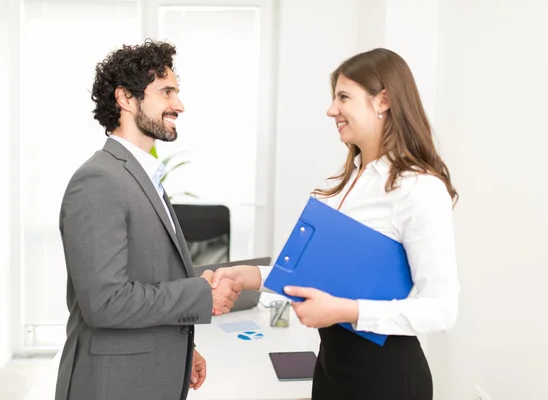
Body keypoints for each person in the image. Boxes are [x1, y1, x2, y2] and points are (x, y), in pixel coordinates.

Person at [211, 48, 459, 399]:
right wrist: (251, 276)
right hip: (332, 369)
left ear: (383, 101)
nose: (331, 110)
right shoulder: (349, 183)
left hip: (386, 379)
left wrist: (345, 310)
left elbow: (441, 310)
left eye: (343, 97)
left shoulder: (418, 188)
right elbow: (322, 280)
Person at [55, 40, 242, 400]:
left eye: (177, 92)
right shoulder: (99, 180)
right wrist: (201, 293)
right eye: (166, 92)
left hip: (145, 373)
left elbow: (150, 275)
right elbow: (105, 302)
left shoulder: (141, 175)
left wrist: (179, 350)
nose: (179, 105)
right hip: (111, 385)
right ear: (126, 98)